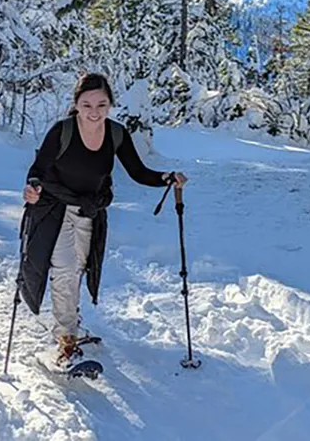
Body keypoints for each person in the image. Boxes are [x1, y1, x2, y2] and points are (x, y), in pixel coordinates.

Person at [19, 72, 186, 368]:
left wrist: (165, 178)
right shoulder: (63, 131)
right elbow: (38, 169)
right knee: (66, 269)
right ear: (76, 104)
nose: (94, 112)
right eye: (87, 105)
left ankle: (71, 322)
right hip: (54, 208)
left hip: (89, 210)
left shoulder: (116, 134)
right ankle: (66, 343)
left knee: (79, 267)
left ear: (110, 104)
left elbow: (137, 171)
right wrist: (32, 188)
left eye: (101, 104)